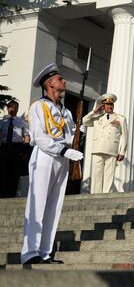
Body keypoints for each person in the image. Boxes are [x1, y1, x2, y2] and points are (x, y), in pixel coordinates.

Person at [21, 63, 83, 265]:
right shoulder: (38, 106)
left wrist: (84, 127)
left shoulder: (65, 111)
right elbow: (39, 137)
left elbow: (71, 134)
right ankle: (30, 252)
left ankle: (45, 252)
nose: (63, 81)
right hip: (45, 156)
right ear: (49, 84)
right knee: (37, 204)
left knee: (54, 206)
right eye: (59, 79)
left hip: (62, 160)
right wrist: (64, 150)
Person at [82, 93, 127, 194]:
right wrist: (94, 112)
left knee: (109, 176)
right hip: (97, 148)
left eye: (111, 105)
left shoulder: (120, 118)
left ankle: (106, 195)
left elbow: (124, 136)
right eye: (107, 105)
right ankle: (95, 195)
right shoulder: (97, 118)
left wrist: (122, 152)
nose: (109, 106)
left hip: (111, 150)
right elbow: (84, 121)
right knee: (96, 176)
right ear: (103, 106)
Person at [0, 100, 30, 198]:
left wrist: (25, 150)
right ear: (8, 108)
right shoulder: (2, 122)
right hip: (4, 148)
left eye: (16, 107)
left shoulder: (22, 122)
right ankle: (2, 195)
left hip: (17, 149)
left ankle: (11, 196)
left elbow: (26, 136)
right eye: (11, 107)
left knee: (15, 174)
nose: (14, 109)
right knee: (3, 173)